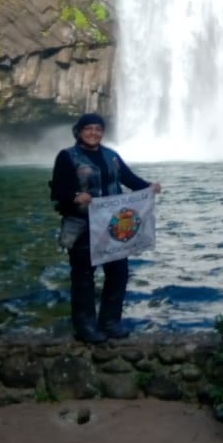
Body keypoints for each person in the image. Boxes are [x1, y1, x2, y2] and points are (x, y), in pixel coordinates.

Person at [50, 113, 162, 343]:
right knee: (83, 277)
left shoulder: (111, 156)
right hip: (82, 226)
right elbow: (57, 191)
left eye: (98, 129)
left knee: (118, 273)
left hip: (113, 228)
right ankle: (85, 327)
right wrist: (74, 196)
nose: (94, 133)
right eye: (89, 128)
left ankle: (110, 322)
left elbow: (129, 179)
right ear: (79, 131)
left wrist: (148, 187)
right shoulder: (67, 157)